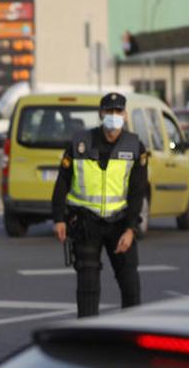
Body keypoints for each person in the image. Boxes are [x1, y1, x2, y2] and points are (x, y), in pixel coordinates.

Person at [51, 91, 149, 316]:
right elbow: (62, 182)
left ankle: (131, 336)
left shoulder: (135, 146)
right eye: (108, 111)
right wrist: (58, 218)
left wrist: (131, 229)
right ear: (100, 113)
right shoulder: (79, 143)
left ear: (124, 115)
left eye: (117, 111)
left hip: (120, 223)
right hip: (86, 223)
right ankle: (87, 338)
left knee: (130, 286)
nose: (113, 116)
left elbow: (137, 191)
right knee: (88, 287)